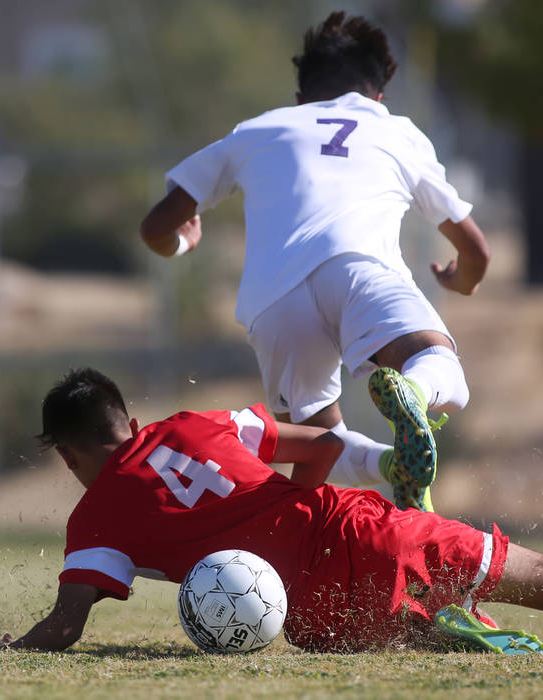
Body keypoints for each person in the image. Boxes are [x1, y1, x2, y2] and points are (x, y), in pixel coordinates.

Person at [0, 368, 543, 655]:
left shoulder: (96, 518)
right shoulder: (200, 424)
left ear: (71, 454)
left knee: (342, 629)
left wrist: (12, 648)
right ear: (131, 422)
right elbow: (317, 445)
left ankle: (441, 627)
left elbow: (68, 624)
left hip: (320, 609)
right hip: (364, 525)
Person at [139, 11, 490, 513]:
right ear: (378, 98)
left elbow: (154, 227)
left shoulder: (256, 130)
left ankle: (393, 468)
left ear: (301, 99)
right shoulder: (397, 131)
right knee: (439, 372)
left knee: (317, 441)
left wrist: (181, 245)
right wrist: (462, 281)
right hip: (361, 269)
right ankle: (413, 390)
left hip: (274, 301)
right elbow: (477, 250)